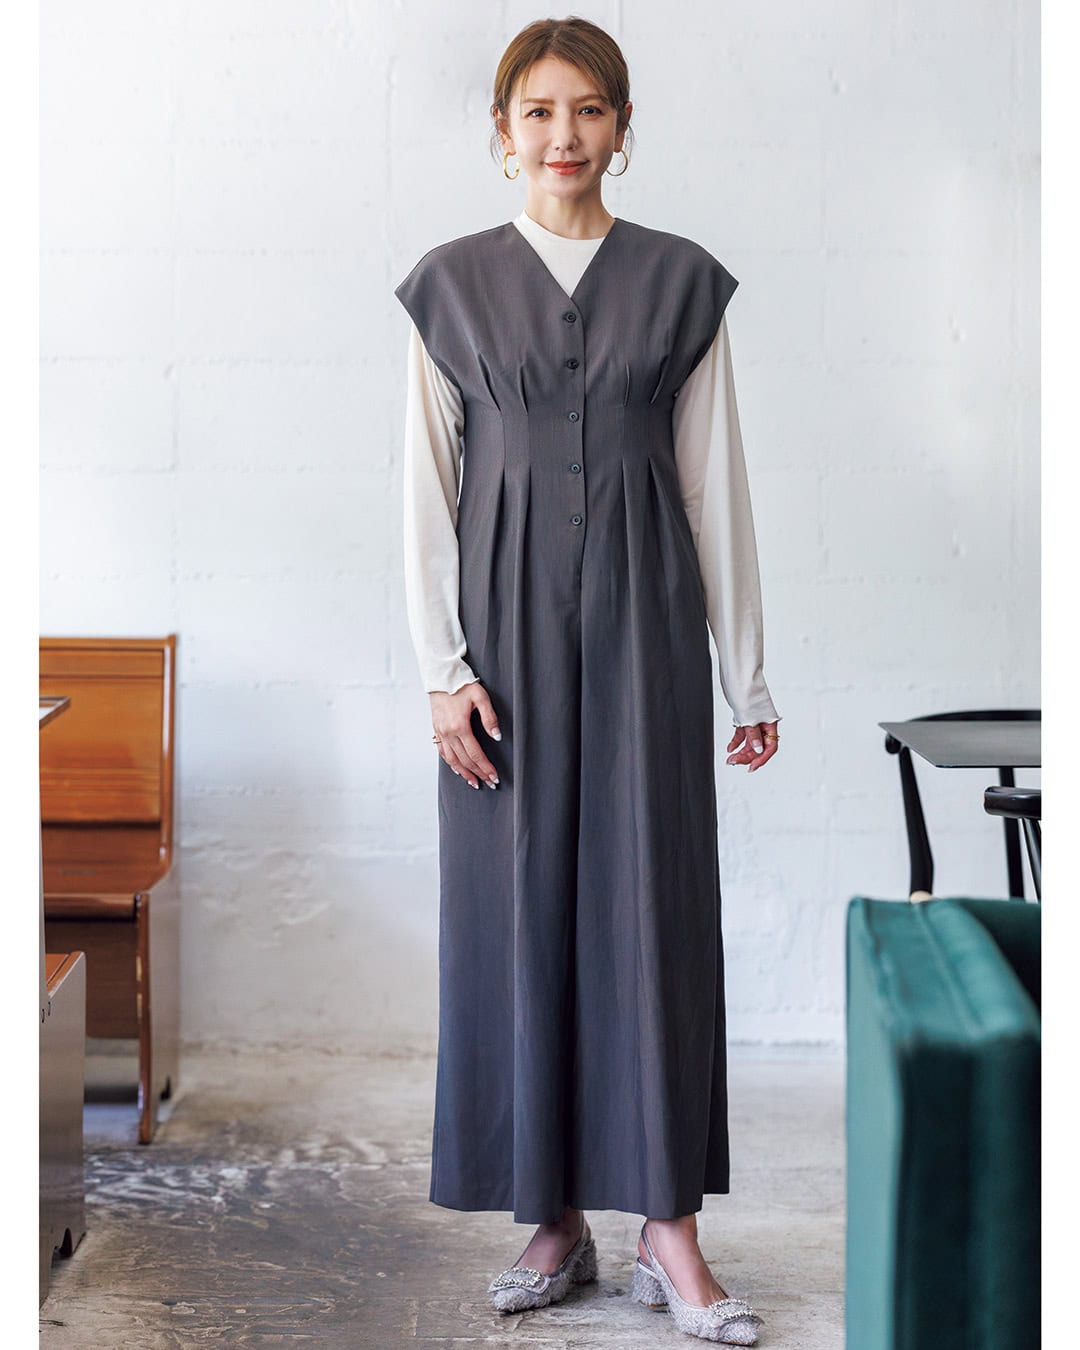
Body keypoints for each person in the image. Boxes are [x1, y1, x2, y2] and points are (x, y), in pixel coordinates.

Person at [394, 17, 780, 1345]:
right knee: (513, 916)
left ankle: (668, 1229)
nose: (564, 135)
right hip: (499, 646)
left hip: (646, 626)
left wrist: (746, 675)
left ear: (622, 125)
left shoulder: (680, 285)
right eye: (539, 111)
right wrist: (441, 671)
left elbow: (713, 485)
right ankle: (550, 1216)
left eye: (590, 109)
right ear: (502, 132)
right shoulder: (450, 288)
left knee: (649, 908)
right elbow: (427, 491)